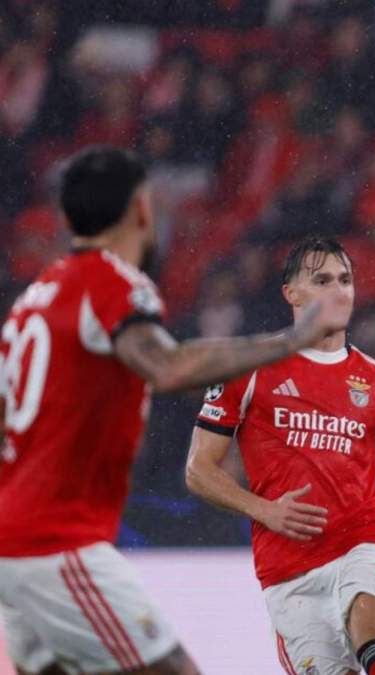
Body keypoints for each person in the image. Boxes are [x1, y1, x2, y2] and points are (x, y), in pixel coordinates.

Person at [0, 146, 344, 675]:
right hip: (57, 539)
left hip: (15, 538)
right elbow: (168, 368)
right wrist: (290, 339)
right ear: (141, 209)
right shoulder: (111, 281)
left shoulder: (37, 298)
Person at [185, 237, 375, 675]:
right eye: (322, 280)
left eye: (346, 280)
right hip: (287, 570)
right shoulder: (246, 367)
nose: (339, 291)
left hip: (361, 543)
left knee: (374, 623)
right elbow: (198, 470)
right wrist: (262, 509)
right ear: (292, 294)